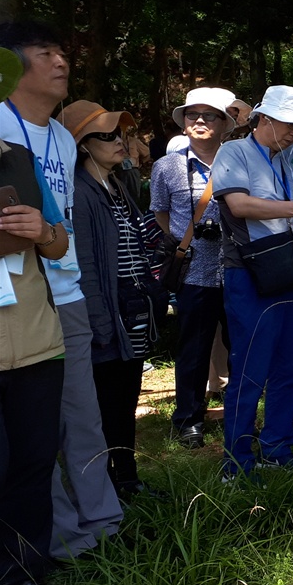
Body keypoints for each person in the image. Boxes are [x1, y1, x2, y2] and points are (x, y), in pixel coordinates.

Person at [0, 21, 123, 560]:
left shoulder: (62, 138)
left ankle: (104, 524)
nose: (60, 61)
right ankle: (59, 537)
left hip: (66, 293)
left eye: (63, 50)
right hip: (16, 298)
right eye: (46, 52)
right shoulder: (0, 126)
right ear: (12, 63)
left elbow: (62, 222)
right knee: (32, 433)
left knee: (82, 414)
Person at [212, 85, 293, 480]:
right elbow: (239, 204)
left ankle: (278, 448)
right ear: (264, 119)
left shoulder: (287, 162)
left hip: (291, 272)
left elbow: (292, 222)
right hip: (250, 275)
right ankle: (236, 461)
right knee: (250, 367)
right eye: (289, 126)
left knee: (289, 368)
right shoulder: (233, 152)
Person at [60, 100, 166, 495]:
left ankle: (127, 477)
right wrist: (100, 322)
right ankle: (109, 484)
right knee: (107, 403)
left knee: (127, 397)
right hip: (108, 312)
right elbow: (84, 263)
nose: (120, 141)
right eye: (106, 136)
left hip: (133, 307)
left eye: (120, 133)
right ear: (83, 145)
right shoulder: (80, 191)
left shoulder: (120, 183)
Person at [0, 69, 71, 585]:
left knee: (32, 463)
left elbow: (59, 241)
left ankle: (23, 580)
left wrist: (41, 231)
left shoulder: (15, 158)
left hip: (35, 341)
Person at [150, 86, 237, 448]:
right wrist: (182, 242)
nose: (199, 121)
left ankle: (240, 416)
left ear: (224, 124)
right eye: (192, 115)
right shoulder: (166, 166)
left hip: (237, 269)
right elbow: (159, 213)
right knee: (193, 350)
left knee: (242, 348)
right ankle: (188, 419)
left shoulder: (239, 160)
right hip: (195, 271)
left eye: (209, 115)